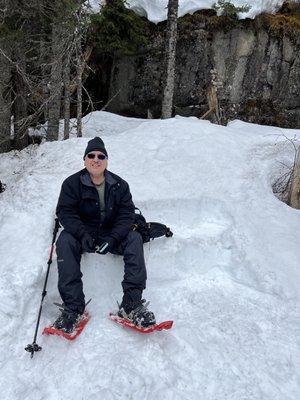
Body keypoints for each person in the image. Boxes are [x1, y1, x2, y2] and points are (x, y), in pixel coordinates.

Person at [53, 137, 156, 333]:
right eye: (91, 155)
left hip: (111, 233)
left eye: (101, 156)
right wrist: (82, 234)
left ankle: (131, 305)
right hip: (84, 233)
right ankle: (73, 308)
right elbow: (65, 212)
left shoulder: (120, 185)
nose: (96, 159)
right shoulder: (71, 184)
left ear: (106, 160)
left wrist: (113, 238)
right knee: (65, 240)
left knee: (134, 238)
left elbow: (127, 215)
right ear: (85, 160)